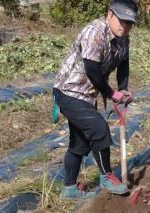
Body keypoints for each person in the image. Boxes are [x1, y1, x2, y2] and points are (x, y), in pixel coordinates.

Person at [53, 0, 138, 199]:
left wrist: (123, 89)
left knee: (80, 143)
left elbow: (123, 64)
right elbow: (92, 70)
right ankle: (106, 176)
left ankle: (69, 188)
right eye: (121, 20)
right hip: (68, 92)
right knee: (99, 127)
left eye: (129, 23)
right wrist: (111, 94)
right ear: (109, 15)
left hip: (87, 95)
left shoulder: (123, 38)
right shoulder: (95, 32)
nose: (124, 26)